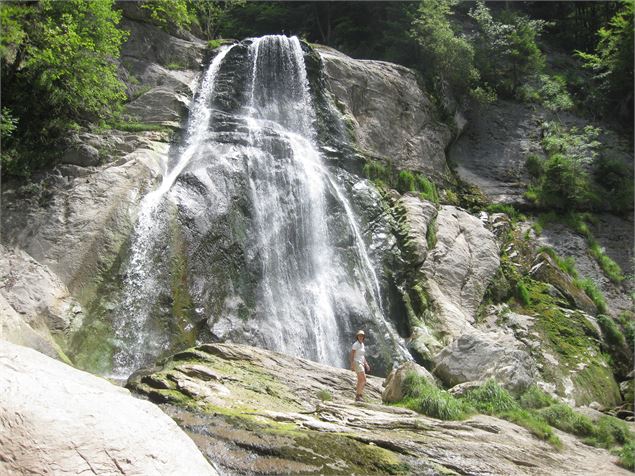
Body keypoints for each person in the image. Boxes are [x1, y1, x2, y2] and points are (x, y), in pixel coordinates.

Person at [350, 329, 370, 402]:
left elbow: (362, 356)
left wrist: (366, 364)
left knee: (360, 380)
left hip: (361, 362)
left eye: (362, 336)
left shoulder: (362, 344)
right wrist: (352, 364)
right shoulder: (356, 344)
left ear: (363, 337)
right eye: (359, 335)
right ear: (357, 336)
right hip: (357, 363)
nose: (360, 337)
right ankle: (359, 395)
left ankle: (358, 396)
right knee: (364, 380)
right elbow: (352, 354)